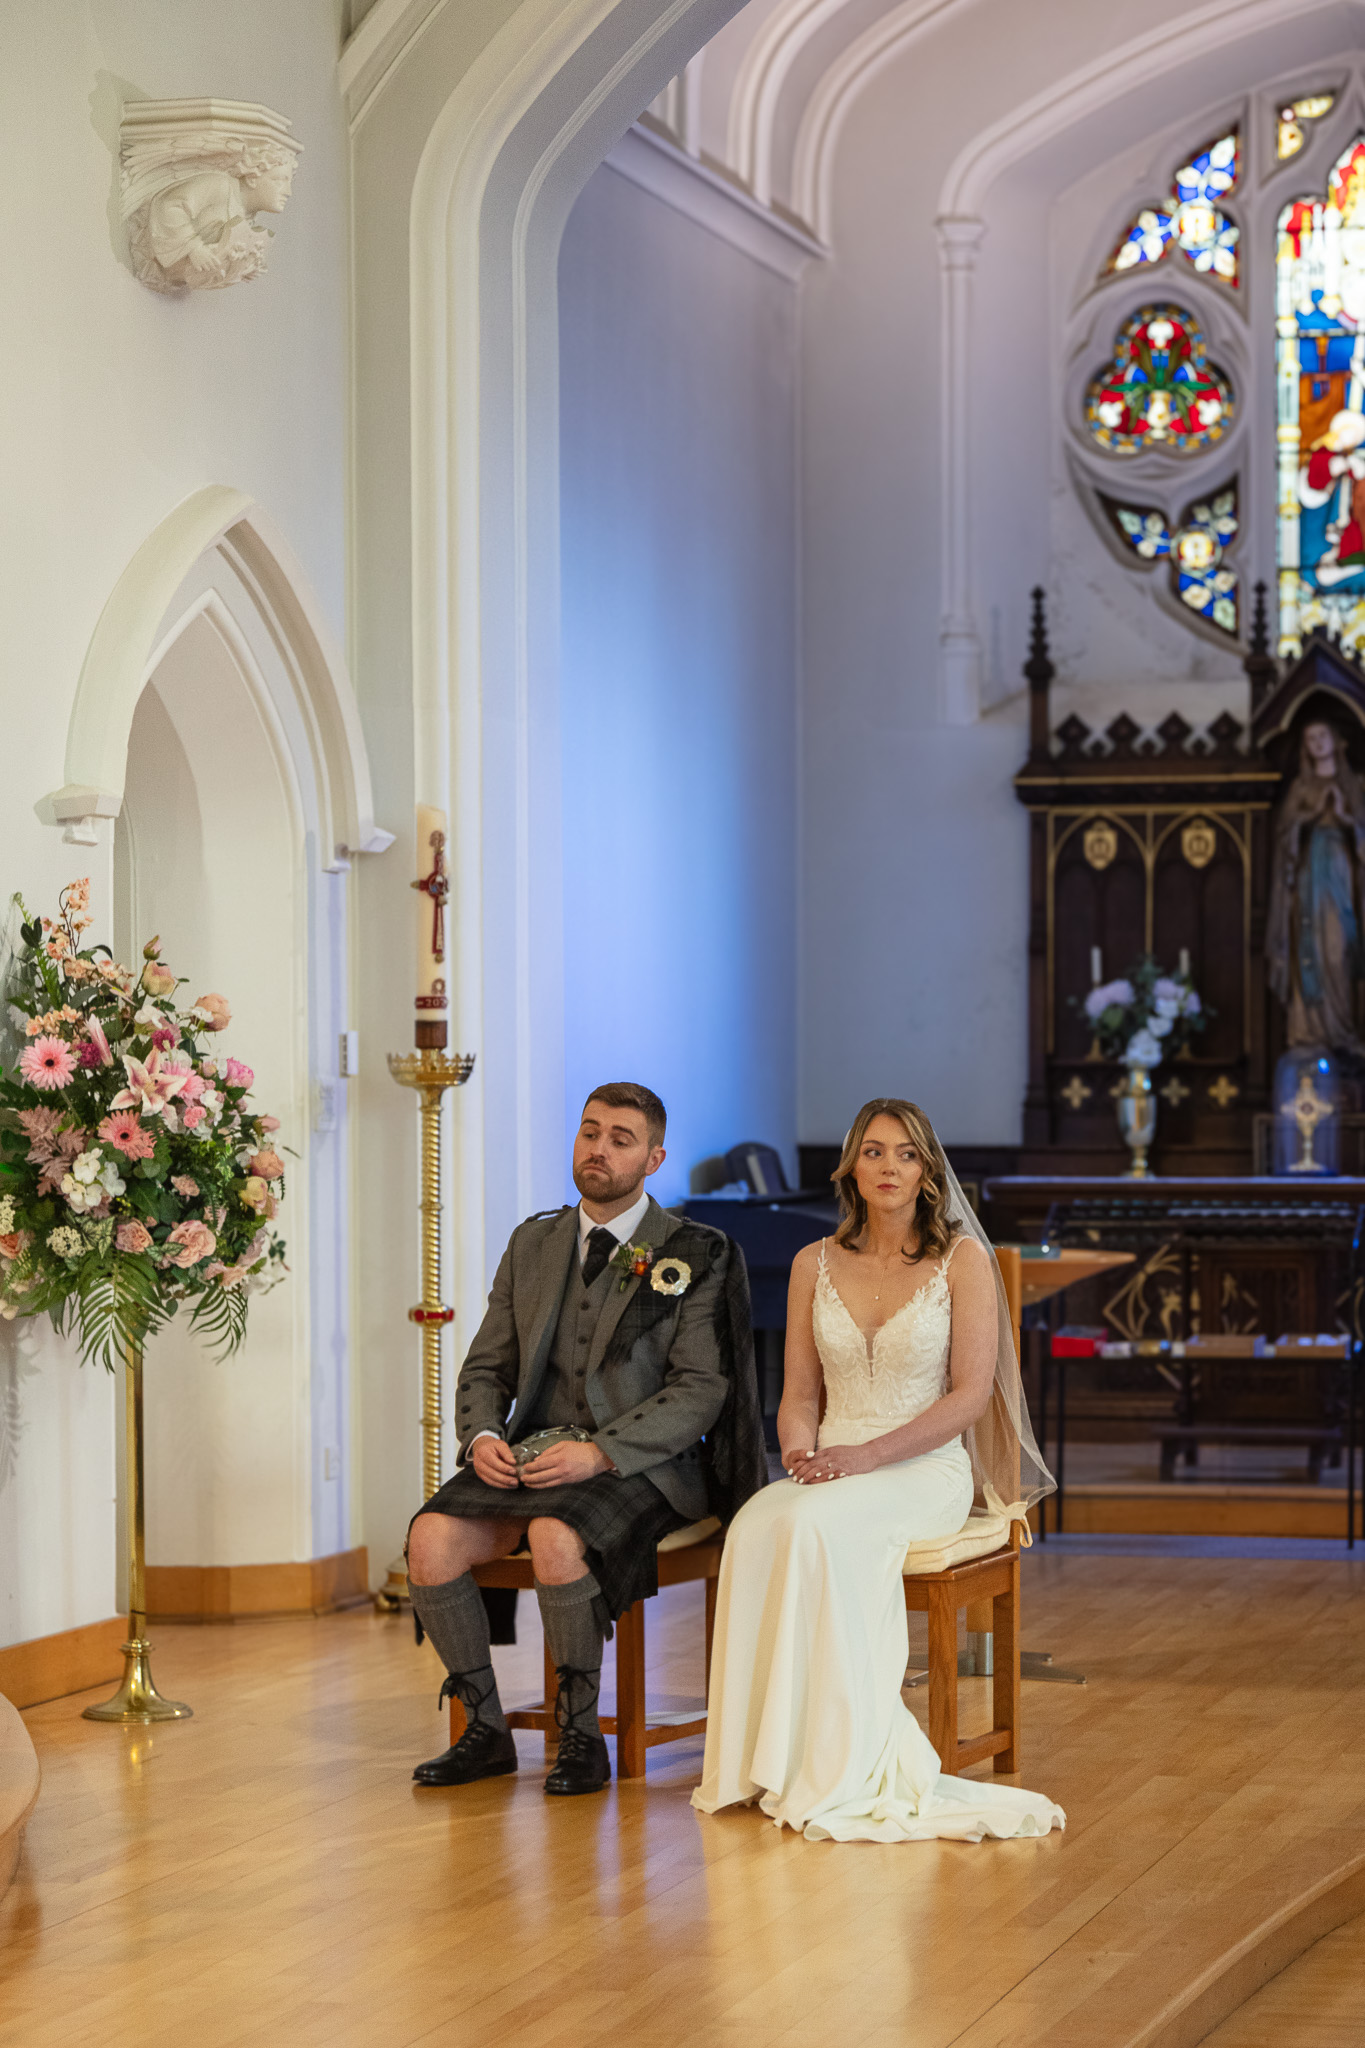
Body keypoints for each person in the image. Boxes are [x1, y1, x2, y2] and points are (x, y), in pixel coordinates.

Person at [693, 1098, 1065, 1844]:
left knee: (814, 1528)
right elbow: (800, 1393)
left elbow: (968, 1398)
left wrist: (864, 1457)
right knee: (757, 1523)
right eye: (873, 1151)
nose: (888, 1166)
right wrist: (797, 1449)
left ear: (927, 1170)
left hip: (924, 1467)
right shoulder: (812, 1263)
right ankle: (765, 1757)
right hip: (831, 1464)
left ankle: (841, 1758)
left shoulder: (963, 1261)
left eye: (905, 1153)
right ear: (850, 1167)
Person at [406, 1081, 766, 1796]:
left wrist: (601, 1452)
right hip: (533, 1455)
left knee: (555, 1535)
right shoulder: (533, 1242)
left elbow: (701, 1389)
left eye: (620, 1139)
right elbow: (486, 1366)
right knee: (431, 1538)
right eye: (589, 1131)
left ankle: (580, 1736)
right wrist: (482, 1435)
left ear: (654, 1158)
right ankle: (485, 1731)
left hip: (645, 1466)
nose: (598, 1149)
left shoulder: (696, 1252)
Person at [1267, 718, 1365, 1055]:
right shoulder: (1300, 787)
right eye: (1311, 738)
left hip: (1342, 873)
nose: (1318, 743)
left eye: (1323, 735)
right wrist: (1310, 816)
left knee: (1339, 949)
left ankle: (1344, 1029)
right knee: (1311, 949)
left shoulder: (1354, 785)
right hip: (1309, 875)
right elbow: (1284, 835)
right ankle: (1310, 1032)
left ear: (1337, 740)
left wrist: (1345, 817)